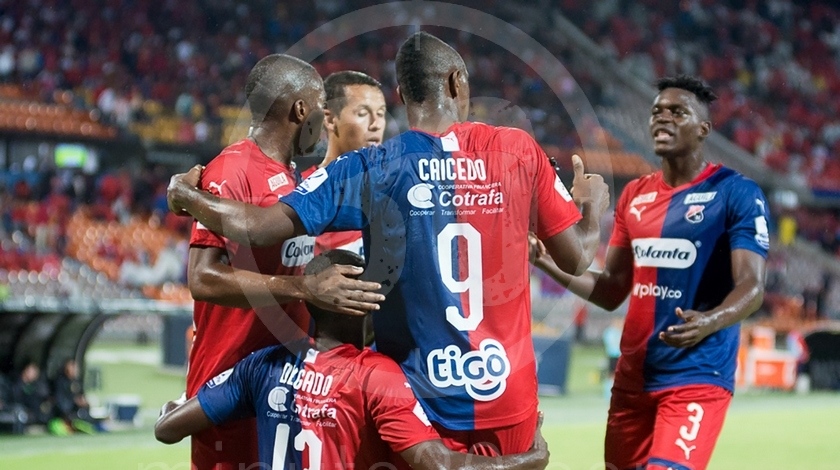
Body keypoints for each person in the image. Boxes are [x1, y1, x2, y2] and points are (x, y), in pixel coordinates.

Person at [168, 31, 609, 455]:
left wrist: (189, 196)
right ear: (458, 82)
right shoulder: (518, 150)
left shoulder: (373, 166)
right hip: (507, 397)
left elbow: (261, 226)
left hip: (415, 405)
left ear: (400, 94)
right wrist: (591, 208)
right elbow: (576, 257)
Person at [532, 75, 769, 470]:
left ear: (703, 130)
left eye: (678, 112)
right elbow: (610, 291)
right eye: (657, 111)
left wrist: (711, 321)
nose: (663, 119)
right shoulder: (635, 195)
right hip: (632, 381)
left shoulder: (736, 193)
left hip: (696, 376)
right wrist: (544, 260)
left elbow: (753, 286)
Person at [156, 250, 549, 470]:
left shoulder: (262, 366)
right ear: (367, 305)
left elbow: (168, 429)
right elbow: (441, 466)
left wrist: (169, 408)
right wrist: (530, 459)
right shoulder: (375, 376)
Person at [184, 54, 385, 470]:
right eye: (318, 106)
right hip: (229, 383)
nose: (323, 117)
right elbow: (202, 279)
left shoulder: (294, 179)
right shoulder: (232, 169)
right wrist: (302, 289)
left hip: (279, 386)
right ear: (300, 110)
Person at [299, 70, 387, 257]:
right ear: (330, 119)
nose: (376, 124)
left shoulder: (397, 189)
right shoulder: (301, 192)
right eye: (363, 113)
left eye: (381, 113)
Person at [52, 359, 96, 434]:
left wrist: (83, 401)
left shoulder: (77, 382)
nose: (74, 369)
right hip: (66, 412)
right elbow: (61, 400)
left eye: (75, 367)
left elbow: (81, 396)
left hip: (77, 411)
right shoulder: (61, 382)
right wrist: (74, 401)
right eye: (72, 367)